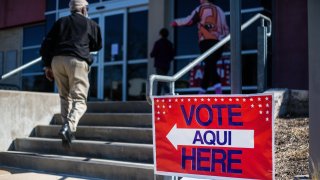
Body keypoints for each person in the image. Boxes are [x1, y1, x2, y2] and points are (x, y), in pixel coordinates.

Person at [40, 0, 102, 146]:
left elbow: (46, 45)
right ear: (83, 10)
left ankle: (68, 134)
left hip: (57, 61)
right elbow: (97, 45)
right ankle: (69, 126)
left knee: (64, 97)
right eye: (86, 8)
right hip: (77, 61)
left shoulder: (60, 22)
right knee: (80, 100)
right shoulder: (91, 24)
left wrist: (48, 66)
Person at [171, 0, 229, 94]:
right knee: (210, 65)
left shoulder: (201, 8)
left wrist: (176, 22)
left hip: (207, 41)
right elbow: (226, 28)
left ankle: (217, 90)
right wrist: (226, 41)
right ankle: (203, 90)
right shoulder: (220, 10)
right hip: (220, 42)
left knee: (210, 65)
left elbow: (189, 21)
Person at [150, 28, 175, 95]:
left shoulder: (158, 43)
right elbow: (172, 56)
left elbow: (152, 54)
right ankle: (158, 95)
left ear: (160, 34)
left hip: (159, 65)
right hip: (166, 65)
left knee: (162, 80)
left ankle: (169, 93)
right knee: (160, 80)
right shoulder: (169, 44)